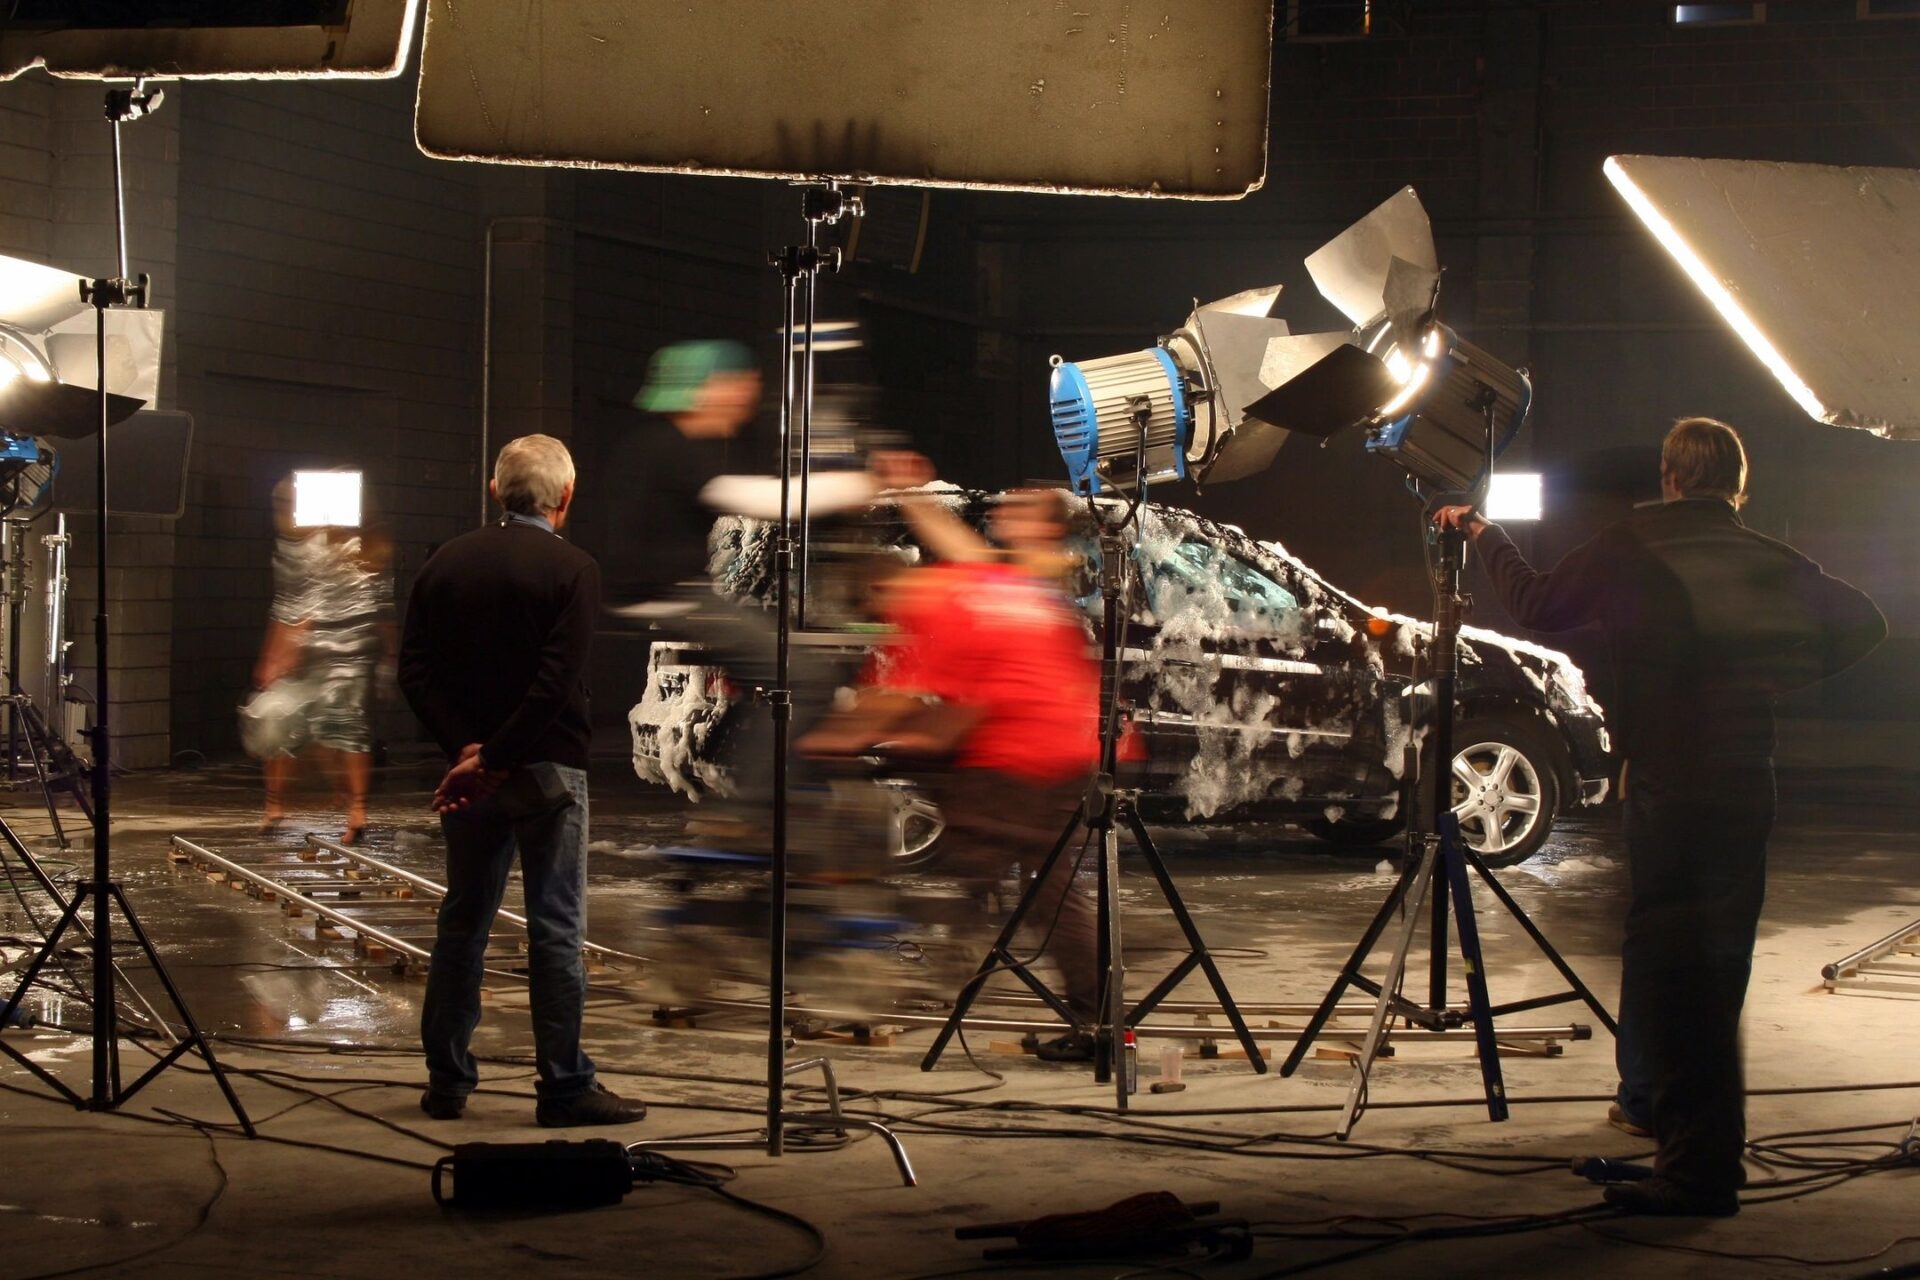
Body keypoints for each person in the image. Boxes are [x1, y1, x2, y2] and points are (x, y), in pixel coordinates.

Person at [1435, 418, 1885, 1216]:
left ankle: (1691, 1157)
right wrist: (1774, 671)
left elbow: (1538, 603)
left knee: (1670, 953)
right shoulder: (1767, 558)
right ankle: (1657, 1109)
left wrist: (1484, 536)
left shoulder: (1629, 545)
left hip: (1671, 777)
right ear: (1738, 489)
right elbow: (1864, 623)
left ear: (1671, 478)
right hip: (1747, 777)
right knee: (1714, 950)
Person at [804, 451, 1103, 1061]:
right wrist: (912, 493)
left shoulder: (970, 595)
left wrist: (833, 740)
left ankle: (955, 958)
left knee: (982, 860)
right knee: (1046, 886)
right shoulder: (1016, 582)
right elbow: (970, 558)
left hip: (1028, 757)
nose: (1002, 510)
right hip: (1062, 753)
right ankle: (1090, 1015)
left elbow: (900, 698)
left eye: (1020, 508)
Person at [399, 434, 645, 1128]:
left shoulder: (443, 564)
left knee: (463, 923)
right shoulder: (573, 568)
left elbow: (413, 673)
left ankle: (446, 1083)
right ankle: (564, 1088)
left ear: (494, 490)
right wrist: (499, 756)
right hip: (546, 772)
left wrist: (467, 753)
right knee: (555, 931)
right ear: (565, 498)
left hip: (468, 776)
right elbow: (553, 684)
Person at [249, 474, 394, 844]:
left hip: (324, 649)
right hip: (344, 652)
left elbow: (298, 606)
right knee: (341, 730)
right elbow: (380, 607)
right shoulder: (364, 545)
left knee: (298, 726)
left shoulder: (317, 548)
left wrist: (279, 652)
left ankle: (281, 804)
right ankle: (351, 805)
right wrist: (389, 653)